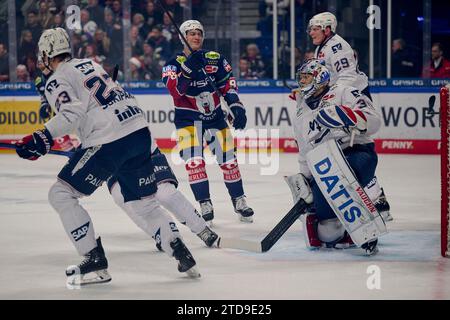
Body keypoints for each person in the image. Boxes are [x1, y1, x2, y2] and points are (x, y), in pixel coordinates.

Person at [14, 27, 200, 285]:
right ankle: (179, 250)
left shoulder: (56, 79)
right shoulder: (90, 63)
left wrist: (41, 137)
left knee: (60, 194)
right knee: (142, 203)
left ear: (47, 54)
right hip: (140, 134)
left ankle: (94, 259)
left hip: (110, 141)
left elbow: (71, 113)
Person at [287, 59, 385, 255]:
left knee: (340, 179)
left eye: (306, 77)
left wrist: (348, 116)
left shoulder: (343, 92)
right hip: (326, 166)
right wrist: (306, 178)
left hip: (357, 152)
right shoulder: (301, 110)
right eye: (301, 78)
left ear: (320, 77)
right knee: (328, 234)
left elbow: (374, 121)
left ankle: (368, 207)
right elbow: (305, 148)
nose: (302, 82)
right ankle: (342, 224)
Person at [162, 20, 254, 225]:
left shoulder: (215, 59)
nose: (196, 37)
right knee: (195, 163)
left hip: (215, 118)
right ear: (182, 37)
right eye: (191, 33)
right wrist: (187, 69)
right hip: (187, 120)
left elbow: (227, 85)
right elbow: (176, 92)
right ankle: (205, 203)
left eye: (199, 33)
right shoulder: (172, 64)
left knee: (229, 161)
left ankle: (239, 200)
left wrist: (236, 106)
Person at [307, 12, 391, 221]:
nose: (311, 32)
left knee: (353, 147)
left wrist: (331, 100)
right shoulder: (322, 47)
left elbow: (347, 77)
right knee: (343, 150)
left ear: (327, 28)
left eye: (315, 28)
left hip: (352, 98)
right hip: (340, 98)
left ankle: (375, 196)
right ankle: (376, 196)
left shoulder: (337, 46)